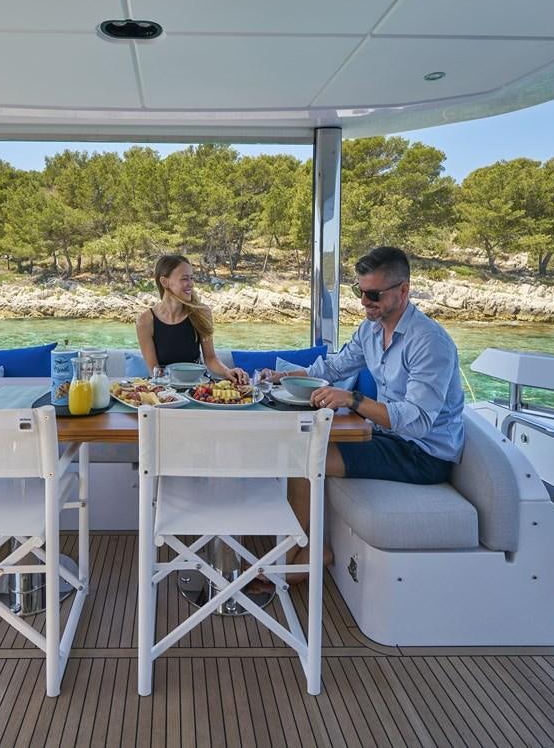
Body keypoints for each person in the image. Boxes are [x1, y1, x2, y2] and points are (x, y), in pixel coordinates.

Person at [260, 245, 465, 584]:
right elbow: (333, 366)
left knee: (302, 459)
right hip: (388, 438)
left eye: (372, 294)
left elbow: (417, 420)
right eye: (359, 291)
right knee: (298, 450)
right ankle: (303, 554)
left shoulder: (429, 342)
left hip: (422, 453)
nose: (364, 302)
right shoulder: (370, 329)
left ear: (403, 290)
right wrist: (282, 376)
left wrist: (353, 399)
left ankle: (284, 568)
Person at [135, 254, 249, 385]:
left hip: (199, 387)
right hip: (165, 388)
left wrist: (227, 371)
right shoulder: (145, 321)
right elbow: (155, 371)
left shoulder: (202, 313)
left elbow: (211, 359)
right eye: (184, 279)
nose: (191, 284)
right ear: (164, 282)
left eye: (191, 278)